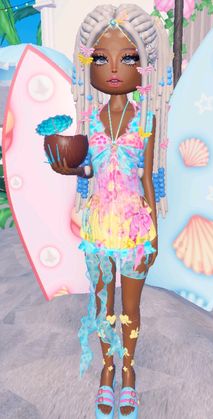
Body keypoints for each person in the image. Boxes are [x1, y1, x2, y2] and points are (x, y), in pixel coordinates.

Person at [50, 4, 172, 418]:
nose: (115, 68)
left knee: (131, 309)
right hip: (99, 227)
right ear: (89, 66)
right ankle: (107, 370)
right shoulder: (87, 119)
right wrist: (66, 166)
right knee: (103, 308)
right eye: (102, 58)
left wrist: (154, 230)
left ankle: (130, 372)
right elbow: (88, 169)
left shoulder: (147, 121)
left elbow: (148, 179)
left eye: (129, 58)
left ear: (143, 67)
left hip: (136, 228)